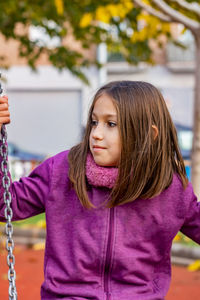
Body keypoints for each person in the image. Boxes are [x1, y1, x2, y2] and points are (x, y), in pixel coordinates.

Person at [0, 81, 200, 300]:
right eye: (94, 122)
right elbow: (6, 204)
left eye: (111, 124)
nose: (96, 133)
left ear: (148, 134)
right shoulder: (63, 171)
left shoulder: (169, 188)